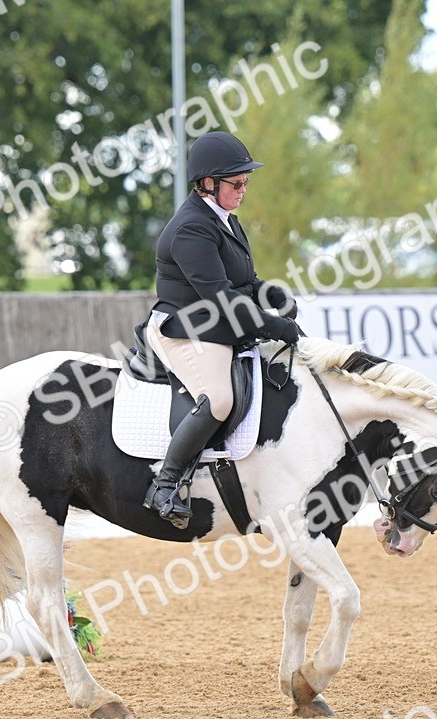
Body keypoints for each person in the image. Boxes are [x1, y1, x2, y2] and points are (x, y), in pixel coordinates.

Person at [142, 131, 300, 528]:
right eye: (236, 182)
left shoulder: (224, 219)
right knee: (219, 399)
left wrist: (271, 293)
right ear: (208, 183)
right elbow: (222, 299)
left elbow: (243, 283)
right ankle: (165, 483)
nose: (244, 188)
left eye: (246, 181)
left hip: (215, 324)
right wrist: (275, 325)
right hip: (183, 327)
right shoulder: (191, 229)